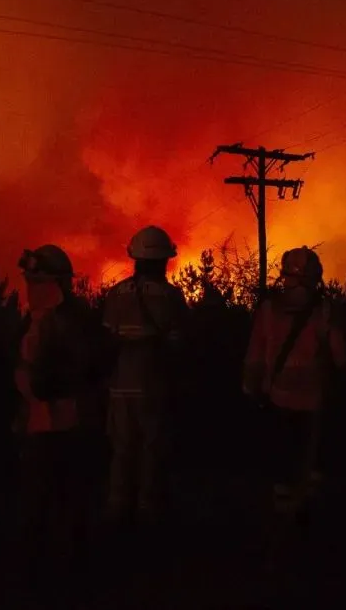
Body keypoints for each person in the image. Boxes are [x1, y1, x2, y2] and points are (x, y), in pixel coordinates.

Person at [13, 244, 102, 602]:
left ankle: (67, 578)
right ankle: (41, 576)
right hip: (41, 425)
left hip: (66, 426)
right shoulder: (35, 318)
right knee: (42, 505)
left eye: (37, 280)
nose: (31, 287)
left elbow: (81, 369)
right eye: (29, 280)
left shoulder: (70, 321)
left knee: (65, 503)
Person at [243, 246, 346, 522]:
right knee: (310, 462)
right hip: (315, 401)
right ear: (316, 277)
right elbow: (341, 358)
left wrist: (251, 387)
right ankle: (308, 520)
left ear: (285, 276)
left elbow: (255, 355)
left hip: (277, 399)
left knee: (282, 464)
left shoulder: (268, 309)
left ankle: (282, 524)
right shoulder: (324, 312)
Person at [101, 225, 189, 529]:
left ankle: (115, 515)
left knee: (121, 452)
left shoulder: (116, 293)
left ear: (135, 258)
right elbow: (180, 344)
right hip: (153, 387)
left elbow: (106, 341)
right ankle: (147, 516)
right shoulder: (170, 296)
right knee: (151, 450)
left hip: (119, 388)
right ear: (164, 260)